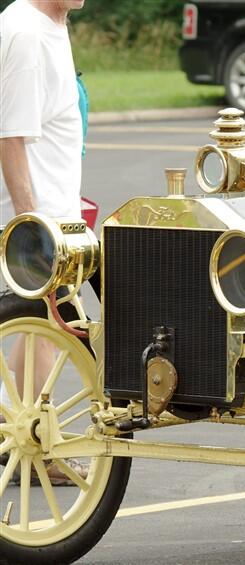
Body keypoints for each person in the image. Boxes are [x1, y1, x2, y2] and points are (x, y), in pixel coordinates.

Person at [0, 0, 88, 485]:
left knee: (37, 330)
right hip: (39, 221)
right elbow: (10, 136)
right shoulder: (27, 33)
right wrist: (31, 226)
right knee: (48, 331)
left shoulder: (52, 21)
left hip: (56, 213)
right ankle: (39, 449)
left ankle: (21, 431)